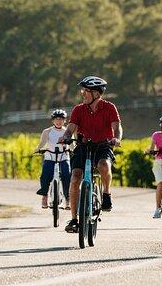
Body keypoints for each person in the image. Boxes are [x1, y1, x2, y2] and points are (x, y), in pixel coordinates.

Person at [58, 76, 122, 233]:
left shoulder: (109, 107)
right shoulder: (78, 109)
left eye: (86, 91)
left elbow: (117, 127)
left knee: (103, 165)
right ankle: (74, 219)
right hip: (83, 146)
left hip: (103, 145)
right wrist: (66, 137)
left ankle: (106, 194)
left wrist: (116, 138)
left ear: (97, 94)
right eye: (83, 91)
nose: (83, 94)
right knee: (75, 177)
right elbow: (70, 128)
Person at [34, 109, 71, 210]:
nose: (59, 121)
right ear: (53, 121)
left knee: (67, 175)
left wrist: (72, 149)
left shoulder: (67, 131)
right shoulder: (47, 131)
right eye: (56, 119)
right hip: (50, 157)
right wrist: (38, 149)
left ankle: (67, 199)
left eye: (61, 119)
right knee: (45, 175)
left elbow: (72, 145)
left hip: (63, 157)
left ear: (64, 121)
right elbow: (42, 143)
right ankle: (45, 196)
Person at [145, 116, 162, 218]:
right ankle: (157, 208)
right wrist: (150, 151)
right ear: (161, 125)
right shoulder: (156, 135)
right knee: (160, 183)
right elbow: (152, 149)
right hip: (159, 161)